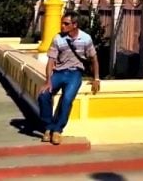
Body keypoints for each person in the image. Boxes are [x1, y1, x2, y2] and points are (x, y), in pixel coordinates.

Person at [37, 14, 99, 145]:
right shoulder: (58, 38)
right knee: (44, 95)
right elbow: (51, 61)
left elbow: (94, 59)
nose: (62, 26)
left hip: (75, 73)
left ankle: (58, 130)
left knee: (67, 99)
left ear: (75, 25)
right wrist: (48, 80)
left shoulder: (86, 39)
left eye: (66, 24)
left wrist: (96, 78)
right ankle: (48, 127)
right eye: (62, 23)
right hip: (59, 72)